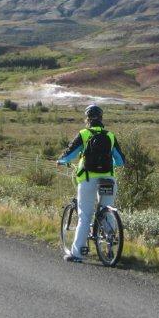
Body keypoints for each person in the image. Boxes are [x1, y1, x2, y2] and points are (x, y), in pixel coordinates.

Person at [56, 104, 125, 262]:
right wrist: (108, 166)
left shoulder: (84, 134)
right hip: (108, 179)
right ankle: (109, 250)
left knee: (85, 216)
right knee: (108, 213)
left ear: (87, 119)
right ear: (101, 119)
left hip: (87, 179)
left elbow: (70, 153)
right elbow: (121, 161)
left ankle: (77, 254)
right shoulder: (110, 136)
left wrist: (60, 160)